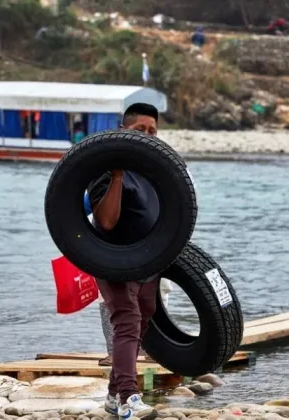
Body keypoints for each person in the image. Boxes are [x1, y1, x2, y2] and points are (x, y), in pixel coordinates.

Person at [88, 103, 161, 419]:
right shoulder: (104, 169)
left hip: (146, 259)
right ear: (122, 132)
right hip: (111, 256)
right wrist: (117, 174)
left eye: (152, 132)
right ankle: (130, 400)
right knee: (127, 318)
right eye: (139, 130)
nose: (147, 136)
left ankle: (113, 394)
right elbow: (106, 221)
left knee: (145, 313)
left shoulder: (155, 172)